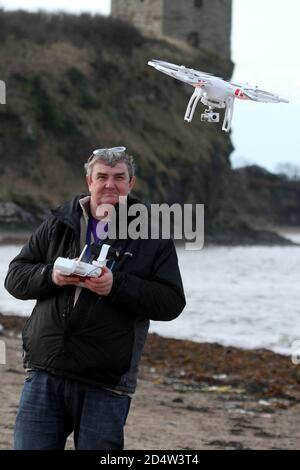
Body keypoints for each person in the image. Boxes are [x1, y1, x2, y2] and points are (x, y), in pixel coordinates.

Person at [4, 147, 186, 450]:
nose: (110, 185)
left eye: (119, 178)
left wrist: (116, 285)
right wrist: (53, 276)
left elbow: (171, 302)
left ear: (131, 184)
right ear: (89, 181)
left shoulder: (153, 234)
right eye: (102, 177)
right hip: (45, 371)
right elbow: (15, 278)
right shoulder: (58, 222)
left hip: (107, 381)